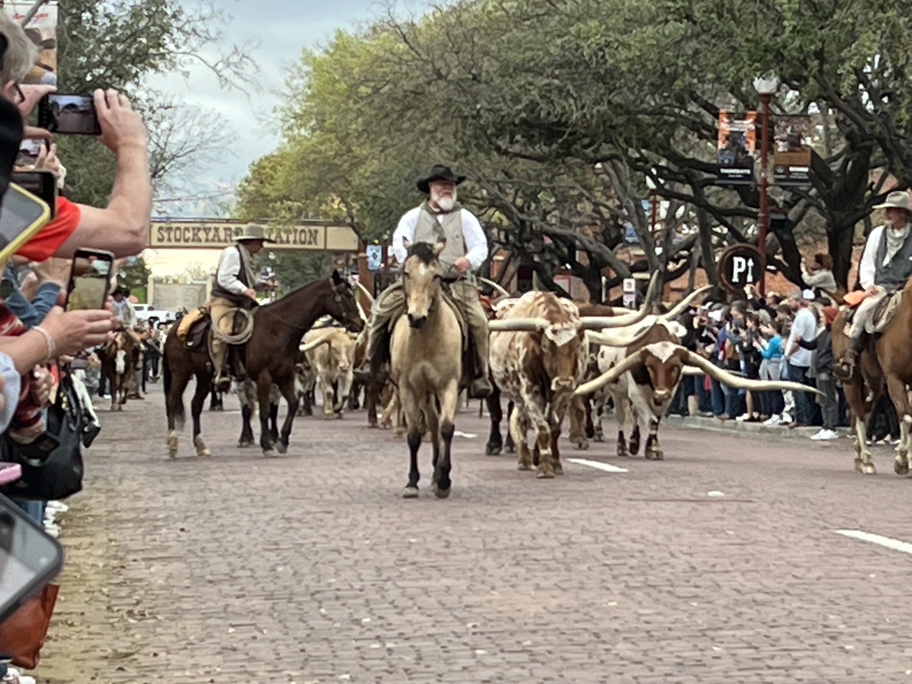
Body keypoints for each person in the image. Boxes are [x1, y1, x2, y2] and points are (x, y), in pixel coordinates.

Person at [355, 165, 493, 398]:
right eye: (442, 185)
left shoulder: (465, 217)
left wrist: (468, 260)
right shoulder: (412, 217)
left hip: (455, 283)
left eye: (450, 185)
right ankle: (371, 362)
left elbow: (481, 246)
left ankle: (481, 374)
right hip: (416, 283)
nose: (447, 189)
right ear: (430, 188)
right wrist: (411, 263)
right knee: (380, 311)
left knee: (480, 323)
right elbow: (399, 242)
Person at [836, 190, 912, 377]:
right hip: (881, 287)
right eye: (888, 210)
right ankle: (851, 355)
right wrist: (869, 285)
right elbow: (868, 262)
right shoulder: (877, 234)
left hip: (907, 288)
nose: (887, 214)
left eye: (892, 210)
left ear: (902, 212)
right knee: (862, 311)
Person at [207, 223, 274, 390]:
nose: (261, 246)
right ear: (252, 241)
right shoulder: (232, 253)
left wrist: (261, 285)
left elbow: (245, 281)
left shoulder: (247, 256)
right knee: (224, 332)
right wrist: (246, 290)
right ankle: (220, 371)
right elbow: (226, 279)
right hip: (224, 301)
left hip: (242, 302)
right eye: (260, 242)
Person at [797, 306, 839, 441]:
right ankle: (825, 426)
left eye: (823, 315)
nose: (820, 318)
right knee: (822, 400)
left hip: (827, 369)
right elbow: (812, 345)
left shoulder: (834, 334)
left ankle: (831, 427)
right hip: (820, 369)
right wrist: (801, 341)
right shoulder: (823, 332)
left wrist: (831, 366)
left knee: (829, 399)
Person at [784, 290, 819, 428]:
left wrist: (789, 353)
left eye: (791, 301)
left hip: (798, 358)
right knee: (805, 389)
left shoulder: (801, 316)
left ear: (798, 302)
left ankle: (802, 418)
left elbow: (798, 338)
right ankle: (807, 417)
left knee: (798, 389)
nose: (789, 304)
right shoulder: (809, 315)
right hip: (805, 357)